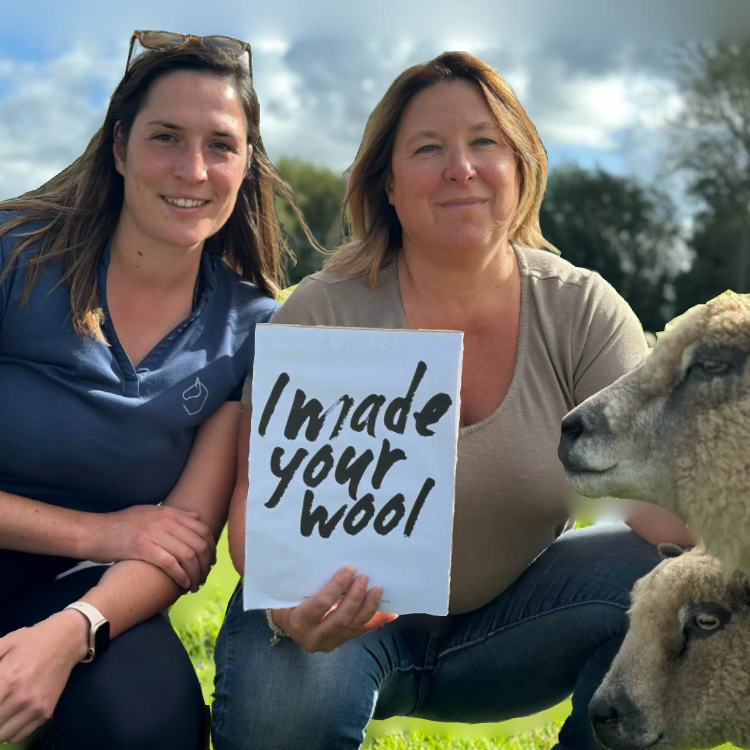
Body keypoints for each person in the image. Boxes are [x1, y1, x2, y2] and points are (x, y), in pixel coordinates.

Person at [213, 51, 699, 750]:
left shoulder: (580, 309)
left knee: (680, 584)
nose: (460, 169)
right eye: (429, 149)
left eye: (483, 143)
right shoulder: (324, 310)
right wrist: (290, 611)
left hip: (511, 624)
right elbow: (256, 503)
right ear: (387, 182)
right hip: (327, 623)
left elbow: (659, 492)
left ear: (521, 165)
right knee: (281, 723)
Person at [0, 30, 316, 750]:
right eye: (166, 137)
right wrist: (97, 531)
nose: (193, 169)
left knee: (152, 723)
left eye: (221, 146)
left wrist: (72, 633)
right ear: (119, 149)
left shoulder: (253, 327)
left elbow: (182, 537)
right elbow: (132, 533)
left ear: (246, 166)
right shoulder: (12, 255)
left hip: (88, 590)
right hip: (82, 548)